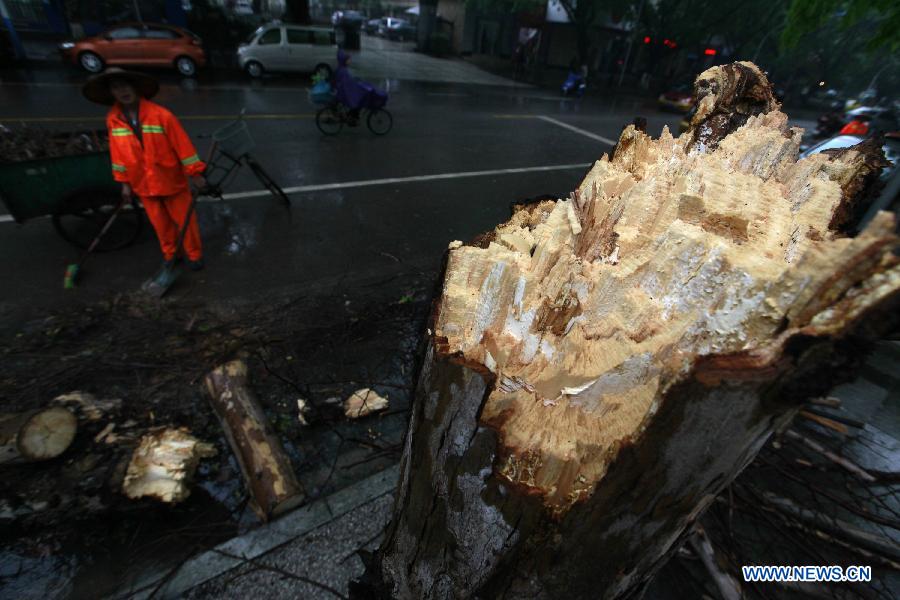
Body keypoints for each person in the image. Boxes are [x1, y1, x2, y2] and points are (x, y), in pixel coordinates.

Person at [82, 68, 207, 271]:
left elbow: (182, 146)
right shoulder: (113, 120)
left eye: (126, 85)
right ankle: (171, 255)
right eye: (116, 87)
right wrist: (124, 183)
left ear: (135, 88)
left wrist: (195, 172)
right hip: (142, 182)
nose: (123, 91)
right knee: (161, 225)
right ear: (111, 93)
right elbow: (118, 154)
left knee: (185, 221)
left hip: (169, 179)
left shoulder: (161, 115)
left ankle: (194, 255)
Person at [333, 49, 385, 125]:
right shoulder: (343, 71)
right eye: (348, 60)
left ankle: (353, 117)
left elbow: (348, 81)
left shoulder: (341, 69)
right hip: (345, 93)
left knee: (358, 100)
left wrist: (356, 81)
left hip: (345, 91)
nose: (350, 61)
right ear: (344, 60)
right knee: (359, 100)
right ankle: (353, 118)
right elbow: (347, 84)